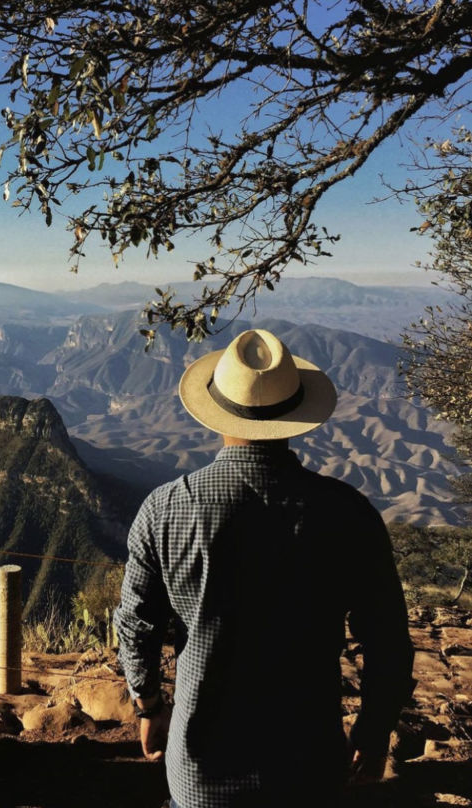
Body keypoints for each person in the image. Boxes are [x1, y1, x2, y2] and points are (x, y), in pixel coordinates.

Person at [115, 328, 415, 808]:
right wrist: (373, 730)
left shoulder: (165, 508)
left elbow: (135, 626)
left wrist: (149, 705)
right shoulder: (348, 513)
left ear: (217, 411)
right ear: (297, 418)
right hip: (308, 770)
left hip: (199, 771)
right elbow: (388, 640)